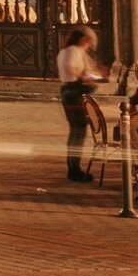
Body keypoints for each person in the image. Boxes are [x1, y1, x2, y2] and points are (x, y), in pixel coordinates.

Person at [53, 24, 102, 182]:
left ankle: (73, 167)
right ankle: (74, 169)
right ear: (83, 39)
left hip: (68, 91)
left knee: (76, 131)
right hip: (74, 92)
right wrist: (86, 77)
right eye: (88, 42)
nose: (88, 46)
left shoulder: (65, 51)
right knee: (78, 131)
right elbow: (72, 69)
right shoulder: (74, 51)